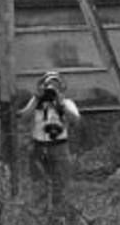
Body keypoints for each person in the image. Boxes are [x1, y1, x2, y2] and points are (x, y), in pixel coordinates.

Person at [18, 71, 80, 211]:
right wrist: (36, 97)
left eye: (55, 86)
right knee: (39, 187)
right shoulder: (36, 103)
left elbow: (76, 119)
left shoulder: (67, 103)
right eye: (48, 86)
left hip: (60, 147)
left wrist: (60, 103)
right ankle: (41, 218)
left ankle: (60, 218)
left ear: (61, 88)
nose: (51, 89)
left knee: (61, 187)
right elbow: (23, 118)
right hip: (38, 148)